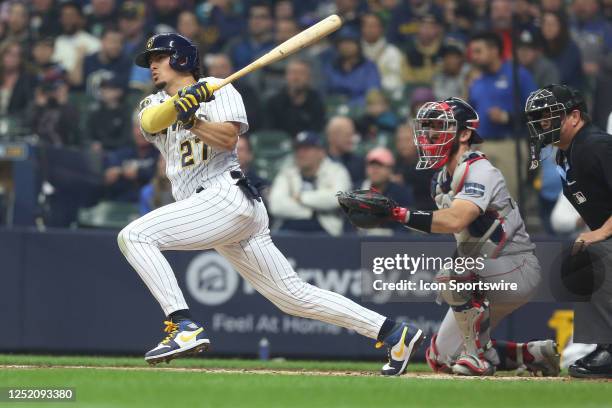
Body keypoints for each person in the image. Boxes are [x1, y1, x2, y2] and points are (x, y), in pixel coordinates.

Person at [119, 33, 426, 376]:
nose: (153, 66)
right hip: (209, 209)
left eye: (159, 58)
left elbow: (228, 139)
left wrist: (194, 119)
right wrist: (182, 105)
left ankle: (183, 325)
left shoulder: (218, 87)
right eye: (150, 61)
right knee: (291, 295)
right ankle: (393, 332)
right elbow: (150, 122)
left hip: (225, 196)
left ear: (180, 59)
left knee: (135, 237)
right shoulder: (152, 104)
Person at [341, 97, 560, 377]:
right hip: (488, 269)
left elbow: (457, 219)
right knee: (440, 358)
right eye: (428, 127)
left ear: (465, 133)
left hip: (515, 266)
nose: (430, 134)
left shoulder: (480, 169)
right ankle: (531, 354)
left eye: (440, 127)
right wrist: (395, 215)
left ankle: (477, 357)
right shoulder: (440, 180)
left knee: (452, 275)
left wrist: (397, 214)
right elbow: (458, 233)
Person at [525, 84, 612, 378]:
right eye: (538, 120)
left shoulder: (596, 145)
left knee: (591, 255)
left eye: (548, 118)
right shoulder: (567, 154)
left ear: (574, 117)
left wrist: (600, 232)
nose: (541, 126)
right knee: (578, 260)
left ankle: (610, 348)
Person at [468, 31, 537, 200]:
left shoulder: (517, 74)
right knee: (480, 204)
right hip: (481, 148)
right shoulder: (476, 81)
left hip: (510, 145)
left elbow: (537, 109)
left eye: (478, 51)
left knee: (507, 202)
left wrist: (507, 117)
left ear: (494, 51)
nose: (473, 57)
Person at [269, 131, 350, 236]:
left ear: (321, 152)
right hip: (288, 229)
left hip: (325, 230)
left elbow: (338, 199)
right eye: (298, 149)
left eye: (306, 149)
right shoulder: (286, 173)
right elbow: (276, 206)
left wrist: (301, 198)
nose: (301, 153)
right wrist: (311, 212)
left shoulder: (337, 171)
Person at [265, 58, 325, 136]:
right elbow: (270, 133)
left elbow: (318, 131)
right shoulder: (274, 103)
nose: (296, 78)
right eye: (292, 73)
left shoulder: (316, 102)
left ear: (309, 78)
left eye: (301, 73)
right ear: (286, 76)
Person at [322, 27, 381, 106]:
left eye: (350, 42)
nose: (346, 46)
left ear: (358, 45)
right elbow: (324, 90)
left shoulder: (369, 66)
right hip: (334, 109)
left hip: (361, 110)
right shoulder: (331, 66)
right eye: (342, 43)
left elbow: (373, 92)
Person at [360, 13, 405, 100]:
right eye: (366, 26)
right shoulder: (355, 52)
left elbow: (398, 82)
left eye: (373, 26)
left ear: (381, 29)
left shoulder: (392, 52)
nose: (369, 29)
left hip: (388, 98)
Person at [541, 11, 584, 90]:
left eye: (552, 24)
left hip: (568, 95)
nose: (548, 28)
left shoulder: (571, 49)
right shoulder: (541, 48)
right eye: (545, 24)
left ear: (561, 27)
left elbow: (561, 76)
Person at [325, 115, 364, 185]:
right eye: (347, 135)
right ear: (332, 136)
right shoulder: (319, 161)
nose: (351, 140)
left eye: (352, 135)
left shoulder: (360, 163)